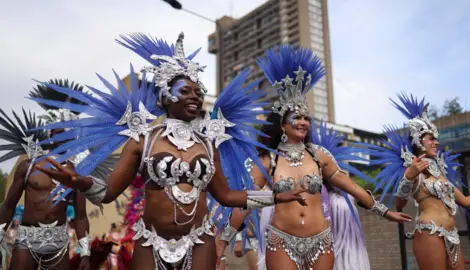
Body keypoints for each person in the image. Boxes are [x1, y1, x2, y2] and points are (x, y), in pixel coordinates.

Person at [34, 32, 306, 270]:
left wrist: (274, 197)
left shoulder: (208, 144)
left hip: (199, 239)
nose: (194, 96)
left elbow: (226, 195)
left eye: (197, 91)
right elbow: (109, 194)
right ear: (165, 97)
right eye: (185, 90)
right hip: (151, 239)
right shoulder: (143, 140)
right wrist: (82, 183)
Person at [214, 45, 412, 270]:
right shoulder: (268, 160)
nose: (303, 122)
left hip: (321, 240)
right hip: (281, 240)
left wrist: (384, 212)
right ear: (282, 124)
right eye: (296, 117)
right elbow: (244, 203)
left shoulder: (320, 156)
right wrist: (223, 240)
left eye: (306, 118)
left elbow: (352, 188)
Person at [362, 93, 470, 270]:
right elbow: (399, 204)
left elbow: (465, 200)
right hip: (429, 233)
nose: (437, 142)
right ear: (418, 141)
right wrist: (409, 176)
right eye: (431, 138)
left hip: (452, 234)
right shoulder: (413, 170)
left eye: (436, 138)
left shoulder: (441, 174)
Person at [0, 80, 91, 270]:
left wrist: (85, 254)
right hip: (26, 239)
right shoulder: (28, 166)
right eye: (57, 131)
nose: (60, 136)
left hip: (59, 241)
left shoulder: (76, 172)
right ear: (50, 133)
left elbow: (81, 216)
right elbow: (9, 205)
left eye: (65, 132)